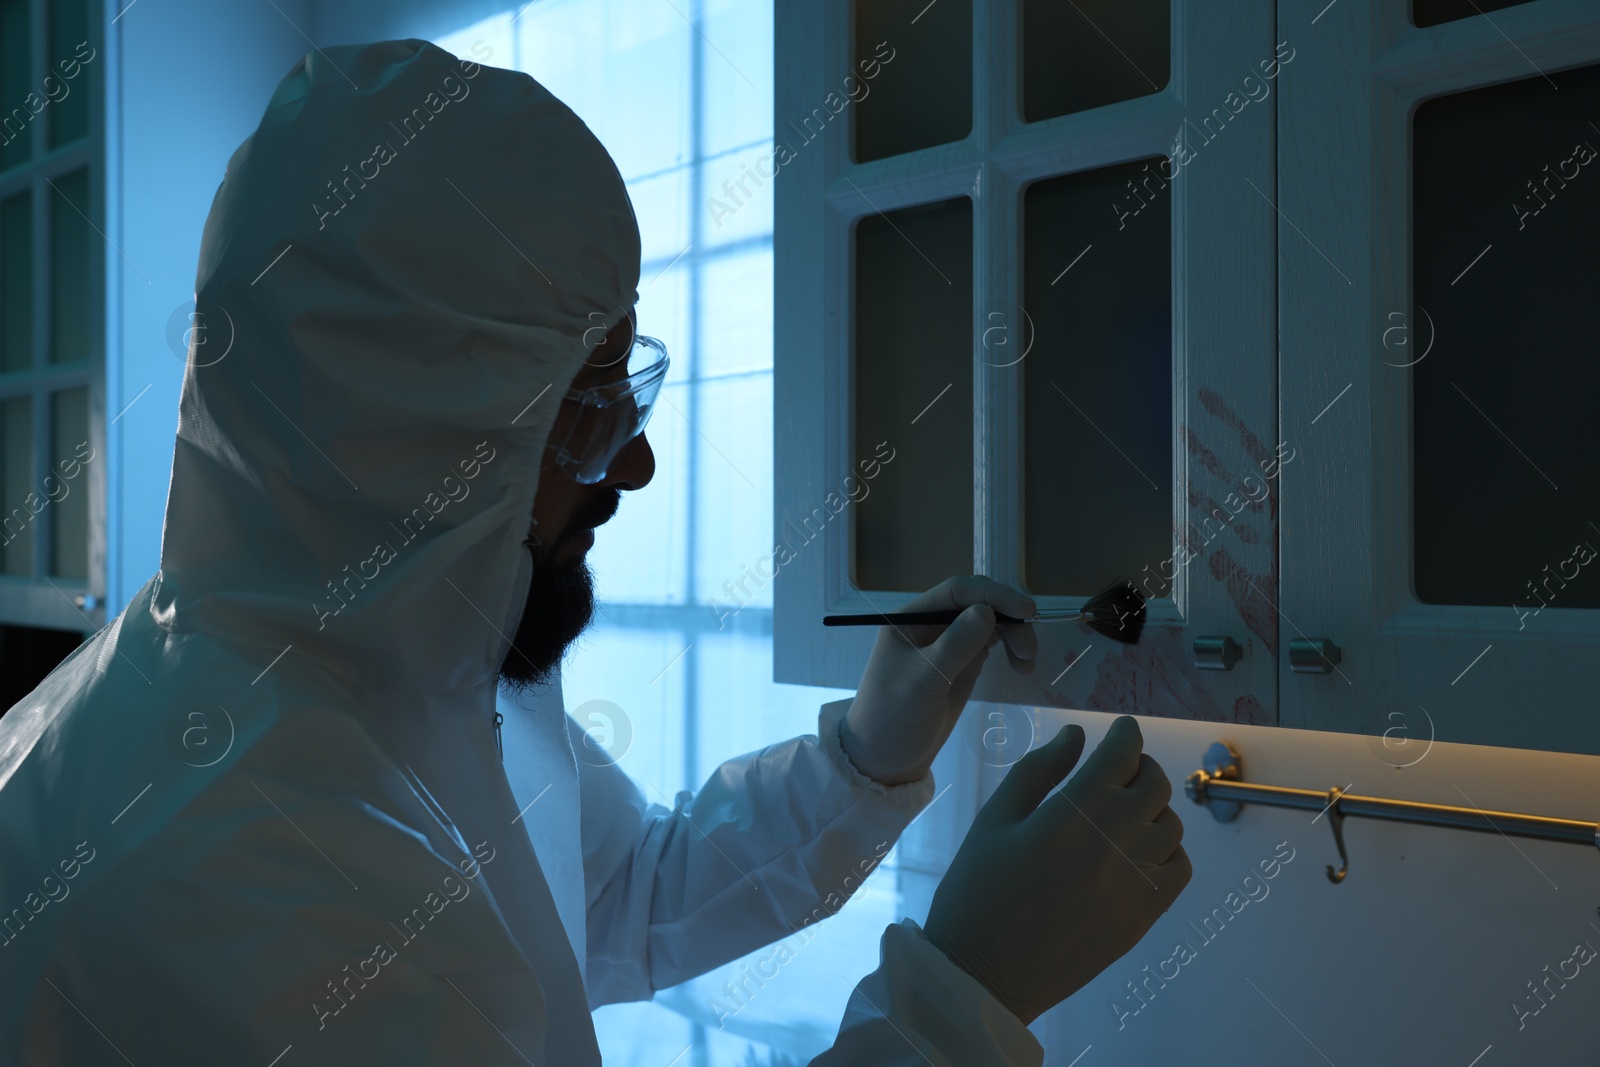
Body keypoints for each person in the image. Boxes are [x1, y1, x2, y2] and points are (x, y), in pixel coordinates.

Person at [0, 40, 1190, 1065]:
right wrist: (957, 1002)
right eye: (584, 410)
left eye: (628, 395)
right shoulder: (229, 880)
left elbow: (613, 897)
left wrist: (866, 761)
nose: (633, 466)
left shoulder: (388, 665)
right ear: (417, 438)